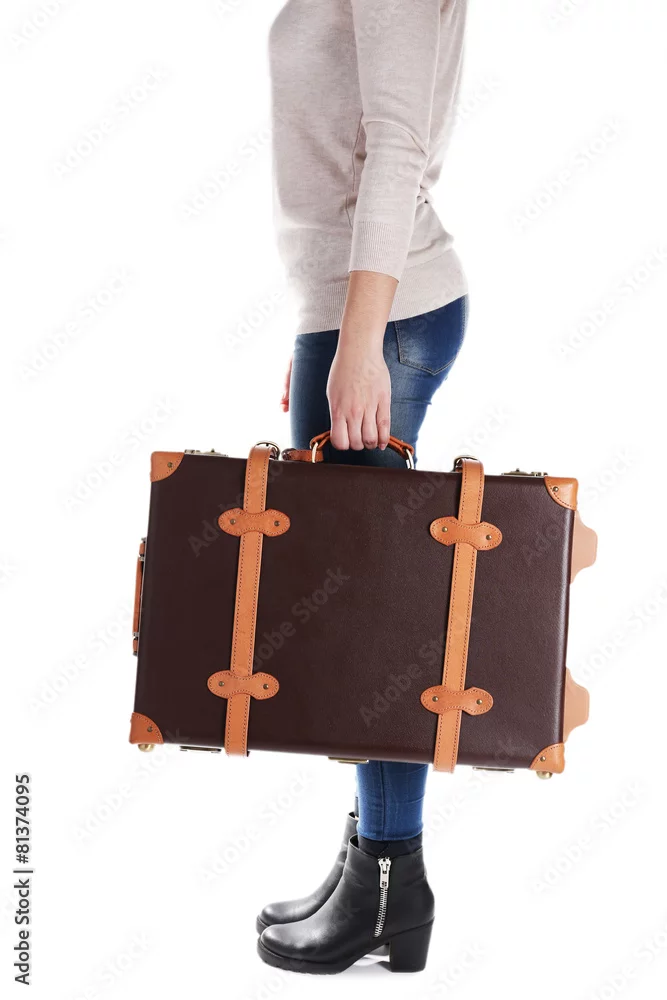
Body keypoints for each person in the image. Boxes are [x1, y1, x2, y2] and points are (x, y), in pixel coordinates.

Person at [256, 0, 469, 974]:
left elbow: (396, 149)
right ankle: (368, 862)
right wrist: (325, 331)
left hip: (382, 314)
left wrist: (355, 342)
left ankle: (389, 882)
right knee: (361, 608)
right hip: (348, 311)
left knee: (373, 618)